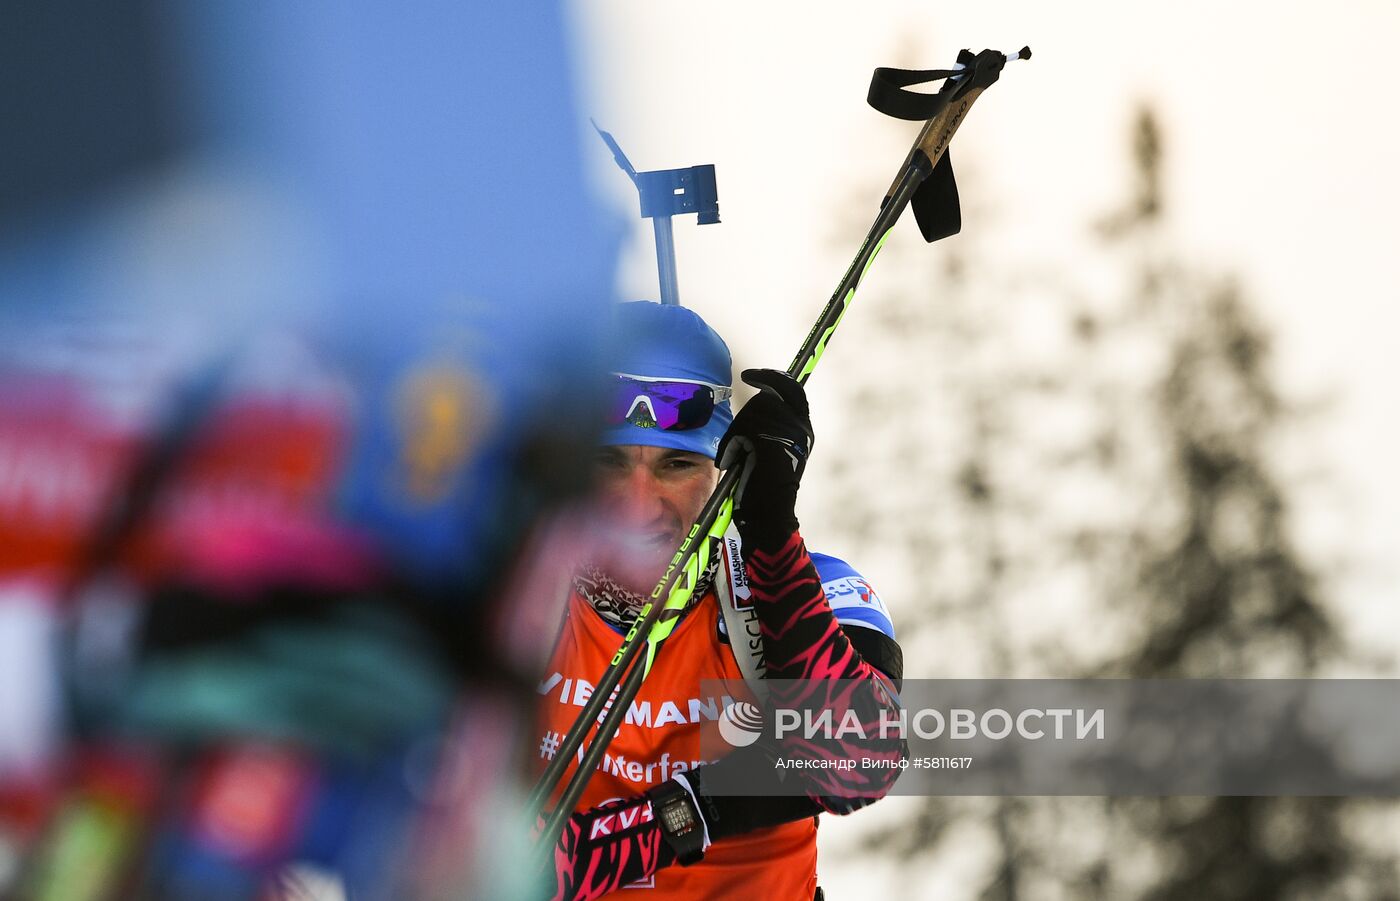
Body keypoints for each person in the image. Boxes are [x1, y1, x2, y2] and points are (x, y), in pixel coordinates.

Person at [537, 301, 906, 900]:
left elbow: (861, 756)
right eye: (608, 463)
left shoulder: (802, 587)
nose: (639, 505)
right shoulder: (518, 602)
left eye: (676, 465)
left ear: (723, 473)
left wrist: (770, 531)